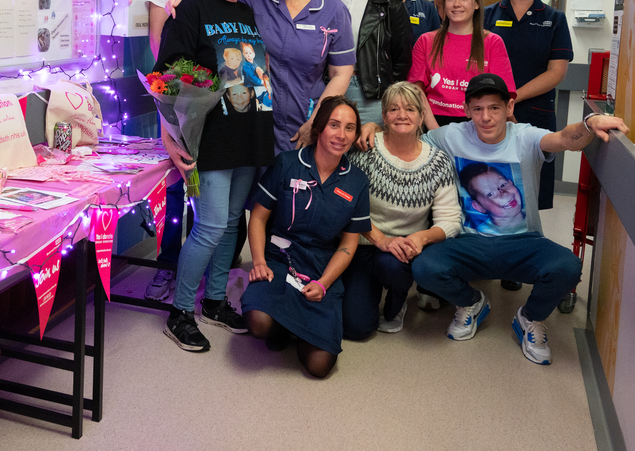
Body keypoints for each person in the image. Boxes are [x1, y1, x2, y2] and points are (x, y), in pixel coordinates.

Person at [408, 73, 628, 364]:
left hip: (524, 242)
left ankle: (530, 318)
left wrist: (589, 124)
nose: (486, 117)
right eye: (478, 109)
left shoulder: (525, 136)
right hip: (470, 242)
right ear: (467, 110)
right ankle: (472, 303)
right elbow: (409, 142)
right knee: (424, 267)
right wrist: (374, 129)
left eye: (495, 108)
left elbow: (564, 138)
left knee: (567, 267)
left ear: (509, 107)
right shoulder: (452, 135)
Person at [155, 0, 275, 352]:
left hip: (250, 133)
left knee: (229, 224)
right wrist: (172, 138)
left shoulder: (248, 11)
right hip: (210, 138)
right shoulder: (191, 8)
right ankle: (181, 312)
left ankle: (215, 299)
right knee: (208, 226)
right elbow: (166, 77)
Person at [241, 96, 370, 377]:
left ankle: (291, 326)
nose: (341, 134)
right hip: (279, 258)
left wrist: (324, 284)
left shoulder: (357, 181)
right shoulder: (287, 163)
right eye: (334, 125)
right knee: (259, 324)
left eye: (350, 128)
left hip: (320, 268)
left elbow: (348, 245)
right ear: (319, 128)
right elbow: (259, 217)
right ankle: (282, 322)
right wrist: (259, 262)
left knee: (319, 366)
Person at [144, 0, 219, 302]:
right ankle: (168, 265)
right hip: (178, 92)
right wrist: (171, 95)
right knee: (178, 182)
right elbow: (158, 36)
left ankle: (207, 272)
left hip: (222, 96)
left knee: (211, 185)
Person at [342, 82, 459, 338]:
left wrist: (422, 237)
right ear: (383, 116)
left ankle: (397, 304)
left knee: (393, 268)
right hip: (362, 241)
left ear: (421, 118)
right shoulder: (364, 151)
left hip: (403, 250)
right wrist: (380, 239)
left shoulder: (438, 162)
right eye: (393, 109)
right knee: (356, 328)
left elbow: (450, 219)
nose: (402, 115)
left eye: (410, 109)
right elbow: (345, 207)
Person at [246, 0, 356, 149]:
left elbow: (341, 73)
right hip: (259, 124)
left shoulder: (334, 11)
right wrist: (184, 2)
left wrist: (316, 122)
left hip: (306, 122)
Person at [484, 0, 573, 211]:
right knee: (492, 186)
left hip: (535, 112)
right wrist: (501, 105)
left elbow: (557, 72)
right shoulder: (488, 15)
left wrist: (512, 99)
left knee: (531, 191)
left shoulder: (554, 19)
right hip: (492, 112)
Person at [328, 0, 412, 125]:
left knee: (367, 153)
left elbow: (402, 61)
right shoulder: (329, 1)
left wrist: (389, 97)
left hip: (371, 95)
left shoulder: (392, 5)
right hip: (329, 87)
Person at [410, 0, 515, 128]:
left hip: (479, 123)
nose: (456, 4)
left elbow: (503, 93)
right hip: (433, 122)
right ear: (444, 3)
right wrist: (436, 131)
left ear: (477, 3)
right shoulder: (426, 41)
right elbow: (416, 90)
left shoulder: (493, 42)